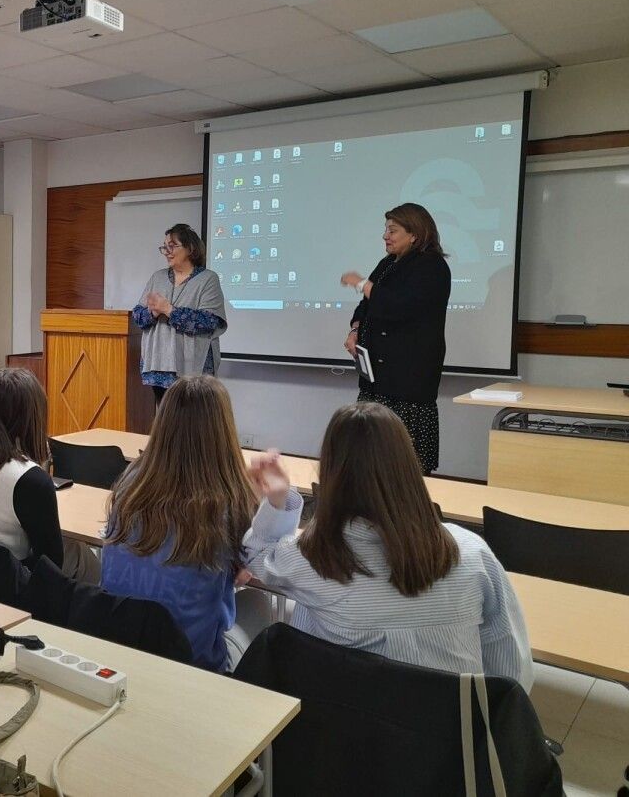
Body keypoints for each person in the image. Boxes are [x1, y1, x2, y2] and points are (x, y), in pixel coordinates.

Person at [242, 402, 533, 693]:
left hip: (333, 730)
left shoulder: (311, 561)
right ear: (408, 467)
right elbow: (511, 675)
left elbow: (257, 554)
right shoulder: (471, 554)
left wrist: (278, 498)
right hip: (447, 734)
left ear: (330, 474)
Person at [101, 376, 286, 673]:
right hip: (192, 664)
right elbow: (247, 573)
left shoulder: (131, 483)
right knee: (259, 603)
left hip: (119, 649)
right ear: (223, 430)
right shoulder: (225, 500)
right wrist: (269, 505)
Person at [0, 368, 99, 582]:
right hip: (4, 587)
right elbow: (50, 563)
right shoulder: (29, 479)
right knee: (82, 556)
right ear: (34, 416)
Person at [341, 202, 451, 474]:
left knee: (402, 466)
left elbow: (399, 307)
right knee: (367, 460)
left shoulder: (432, 267)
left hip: (407, 383)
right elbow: (365, 306)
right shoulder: (389, 263)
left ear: (414, 234)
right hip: (376, 378)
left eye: (393, 230)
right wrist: (355, 329)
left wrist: (362, 283)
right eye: (386, 230)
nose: (385, 236)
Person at [133, 224, 228, 407]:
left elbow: (209, 321)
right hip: (159, 364)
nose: (167, 251)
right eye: (164, 247)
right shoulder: (157, 277)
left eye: (172, 246)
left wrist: (169, 310)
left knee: (193, 421)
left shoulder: (208, 279)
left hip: (192, 368)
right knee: (166, 419)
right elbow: (138, 317)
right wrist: (153, 311)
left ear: (190, 248)